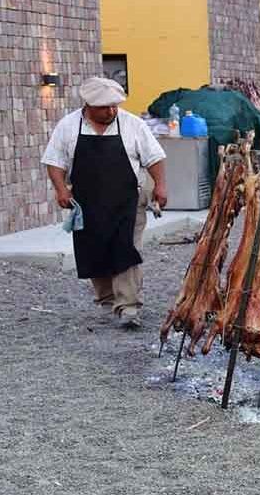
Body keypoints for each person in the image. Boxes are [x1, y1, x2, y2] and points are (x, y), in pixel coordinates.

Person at [42, 77, 167, 328]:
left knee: (126, 248)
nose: (111, 111)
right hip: (88, 202)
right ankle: (108, 300)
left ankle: (129, 306)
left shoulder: (133, 125)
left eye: (114, 106)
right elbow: (54, 162)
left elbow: (154, 157)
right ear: (88, 105)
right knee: (94, 249)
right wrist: (60, 190)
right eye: (104, 107)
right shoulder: (68, 126)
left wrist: (160, 186)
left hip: (128, 200)